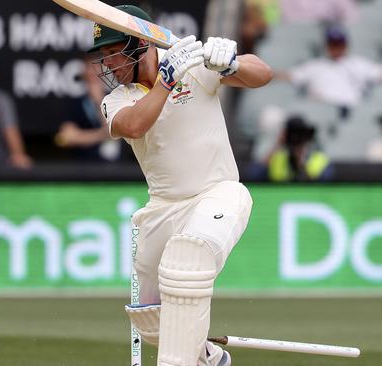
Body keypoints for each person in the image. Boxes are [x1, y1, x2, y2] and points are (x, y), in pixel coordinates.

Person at [89, 5, 272, 366]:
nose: (108, 64)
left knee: (187, 257)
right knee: (149, 321)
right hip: (163, 208)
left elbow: (262, 74)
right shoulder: (117, 99)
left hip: (218, 193)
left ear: (140, 45)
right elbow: (134, 126)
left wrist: (231, 62)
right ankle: (208, 358)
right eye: (104, 55)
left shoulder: (193, 66)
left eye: (113, 52)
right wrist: (165, 83)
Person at [276, 24, 382, 109]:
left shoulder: (358, 63)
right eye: (332, 43)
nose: (336, 47)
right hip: (320, 110)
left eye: (339, 43)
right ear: (327, 45)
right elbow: (291, 75)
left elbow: (378, 74)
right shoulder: (315, 65)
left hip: (349, 110)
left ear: (345, 45)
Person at [55, 56, 122, 162]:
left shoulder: (116, 98)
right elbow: (67, 137)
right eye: (89, 69)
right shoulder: (75, 103)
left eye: (96, 70)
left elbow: (116, 130)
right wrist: (102, 135)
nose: (92, 74)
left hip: (118, 168)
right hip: (86, 167)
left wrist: (99, 100)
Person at [266, 116, 332, 182]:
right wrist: (278, 144)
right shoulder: (279, 157)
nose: (296, 138)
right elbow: (259, 174)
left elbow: (320, 185)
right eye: (292, 134)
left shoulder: (319, 158)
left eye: (300, 134)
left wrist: (300, 162)